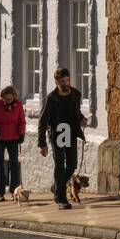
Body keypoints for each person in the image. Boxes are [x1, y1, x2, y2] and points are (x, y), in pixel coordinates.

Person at [38, 67, 85, 209]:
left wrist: (82, 118)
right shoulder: (52, 98)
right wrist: (42, 144)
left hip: (70, 131)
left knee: (72, 165)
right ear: (56, 82)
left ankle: (56, 187)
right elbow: (43, 120)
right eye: (61, 81)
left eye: (66, 80)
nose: (65, 83)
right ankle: (61, 199)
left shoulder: (76, 94)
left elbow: (75, 112)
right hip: (58, 132)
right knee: (59, 164)